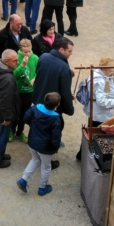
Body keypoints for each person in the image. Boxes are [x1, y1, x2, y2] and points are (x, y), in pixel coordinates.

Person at [32, 36, 74, 167]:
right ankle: (46, 159)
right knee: (52, 129)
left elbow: (39, 76)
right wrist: (70, 109)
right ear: (61, 50)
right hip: (53, 105)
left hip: (40, 100)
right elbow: (65, 92)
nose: (71, 54)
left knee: (41, 127)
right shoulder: (63, 68)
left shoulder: (43, 57)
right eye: (69, 51)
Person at [17, 92, 62, 196]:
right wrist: (55, 146)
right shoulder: (55, 118)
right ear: (57, 105)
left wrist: (33, 125)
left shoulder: (35, 108)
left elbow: (25, 118)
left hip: (32, 142)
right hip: (46, 147)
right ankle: (42, 187)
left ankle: (24, 179)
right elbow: (56, 136)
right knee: (46, 167)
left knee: (35, 160)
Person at [0, 49, 20, 169]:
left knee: (0, 133)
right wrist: (7, 117)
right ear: (6, 61)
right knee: (2, 136)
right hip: (3, 114)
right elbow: (5, 101)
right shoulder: (7, 78)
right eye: (15, 61)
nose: (17, 62)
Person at [11, 39, 38, 143]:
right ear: (20, 50)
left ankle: (20, 132)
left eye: (29, 51)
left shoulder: (35, 58)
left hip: (29, 91)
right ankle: (11, 131)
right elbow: (13, 74)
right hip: (18, 91)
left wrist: (34, 78)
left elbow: (37, 71)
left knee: (25, 113)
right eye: (25, 52)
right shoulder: (16, 58)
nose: (27, 54)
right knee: (15, 113)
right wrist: (22, 65)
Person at [84, 57, 114, 126]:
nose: (113, 73)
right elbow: (101, 101)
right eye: (110, 71)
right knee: (97, 133)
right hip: (100, 115)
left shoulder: (97, 74)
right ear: (103, 69)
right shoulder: (100, 81)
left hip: (97, 113)